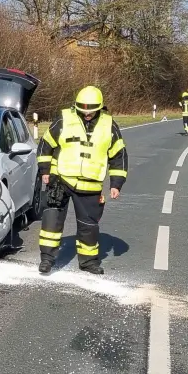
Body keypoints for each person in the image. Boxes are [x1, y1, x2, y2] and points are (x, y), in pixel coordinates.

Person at [37, 86, 128, 276]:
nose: (87, 113)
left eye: (91, 110)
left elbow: (118, 155)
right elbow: (46, 144)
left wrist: (116, 184)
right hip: (61, 179)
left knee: (89, 226)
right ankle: (46, 260)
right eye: (82, 109)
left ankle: (88, 262)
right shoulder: (64, 118)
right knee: (51, 222)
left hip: (91, 185)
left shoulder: (109, 125)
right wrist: (45, 170)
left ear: (100, 108)